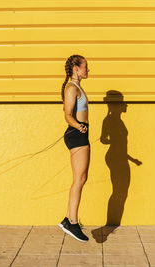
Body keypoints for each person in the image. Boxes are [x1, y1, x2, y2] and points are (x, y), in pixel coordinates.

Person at [58, 55, 90, 242]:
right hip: (76, 134)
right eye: (85, 67)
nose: (88, 70)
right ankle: (72, 222)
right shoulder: (71, 88)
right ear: (76, 68)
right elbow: (68, 115)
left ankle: (67, 220)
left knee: (82, 178)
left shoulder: (77, 87)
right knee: (79, 179)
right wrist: (79, 126)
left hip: (81, 133)